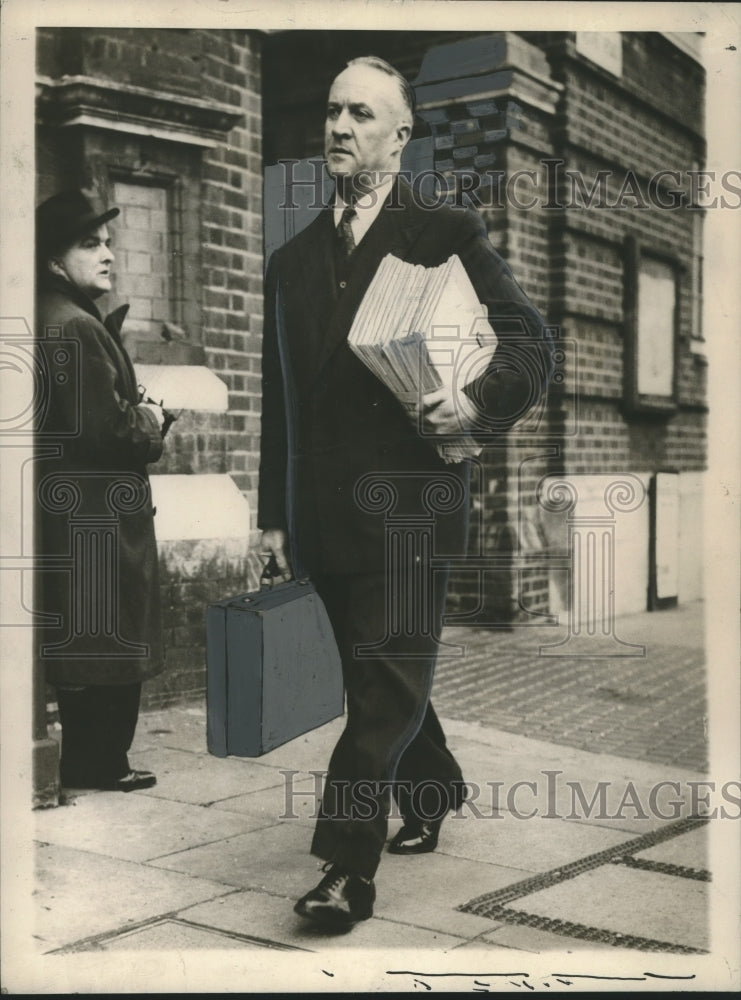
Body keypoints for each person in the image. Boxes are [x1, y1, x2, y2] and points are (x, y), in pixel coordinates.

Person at [258, 56, 554, 926]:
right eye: (332, 110)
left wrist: (469, 397)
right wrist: (274, 515)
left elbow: (529, 347)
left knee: (383, 682)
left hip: (413, 508)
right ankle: (435, 788)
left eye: (361, 114)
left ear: (401, 135)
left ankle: (345, 868)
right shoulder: (293, 260)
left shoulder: (442, 231)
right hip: (323, 513)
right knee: (372, 680)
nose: (339, 127)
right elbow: (283, 400)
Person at [35, 189, 168, 793]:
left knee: (91, 632)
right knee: (108, 633)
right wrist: (152, 419)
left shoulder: (53, 315)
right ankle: (101, 762)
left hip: (77, 507)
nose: (108, 254)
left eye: (108, 241)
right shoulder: (75, 327)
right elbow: (105, 430)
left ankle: (93, 759)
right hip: (99, 511)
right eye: (91, 244)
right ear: (54, 262)